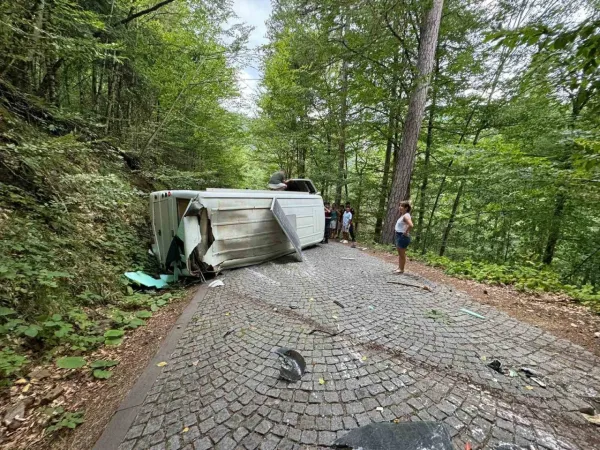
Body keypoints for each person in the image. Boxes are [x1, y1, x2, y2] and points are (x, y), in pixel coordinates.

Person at [394, 201, 414, 274]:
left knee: (402, 254)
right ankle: (399, 267)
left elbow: (411, 225)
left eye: (402, 206)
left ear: (406, 208)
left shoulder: (406, 216)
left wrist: (405, 232)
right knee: (400, 253)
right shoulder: (403, 215)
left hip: (402, 237)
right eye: (399, 206)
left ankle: (401, 269)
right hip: (399, 236)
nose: (400, 207)